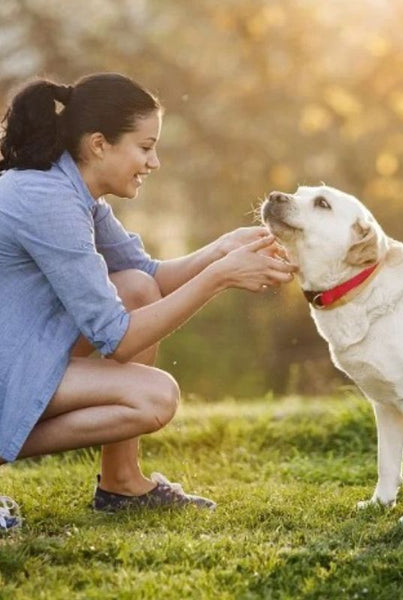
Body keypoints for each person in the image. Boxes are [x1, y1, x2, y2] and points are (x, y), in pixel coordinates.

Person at [0, 72, 297, 523]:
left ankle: (122, 485)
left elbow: (150, 276)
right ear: (99, 144)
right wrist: (220, 277)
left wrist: (221, 249)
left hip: (18, 353)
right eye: (144, 146)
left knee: (136, 286)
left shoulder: (76, 192)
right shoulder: (47, 201)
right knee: (154, 398)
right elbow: (115, 339)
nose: (154, 161)